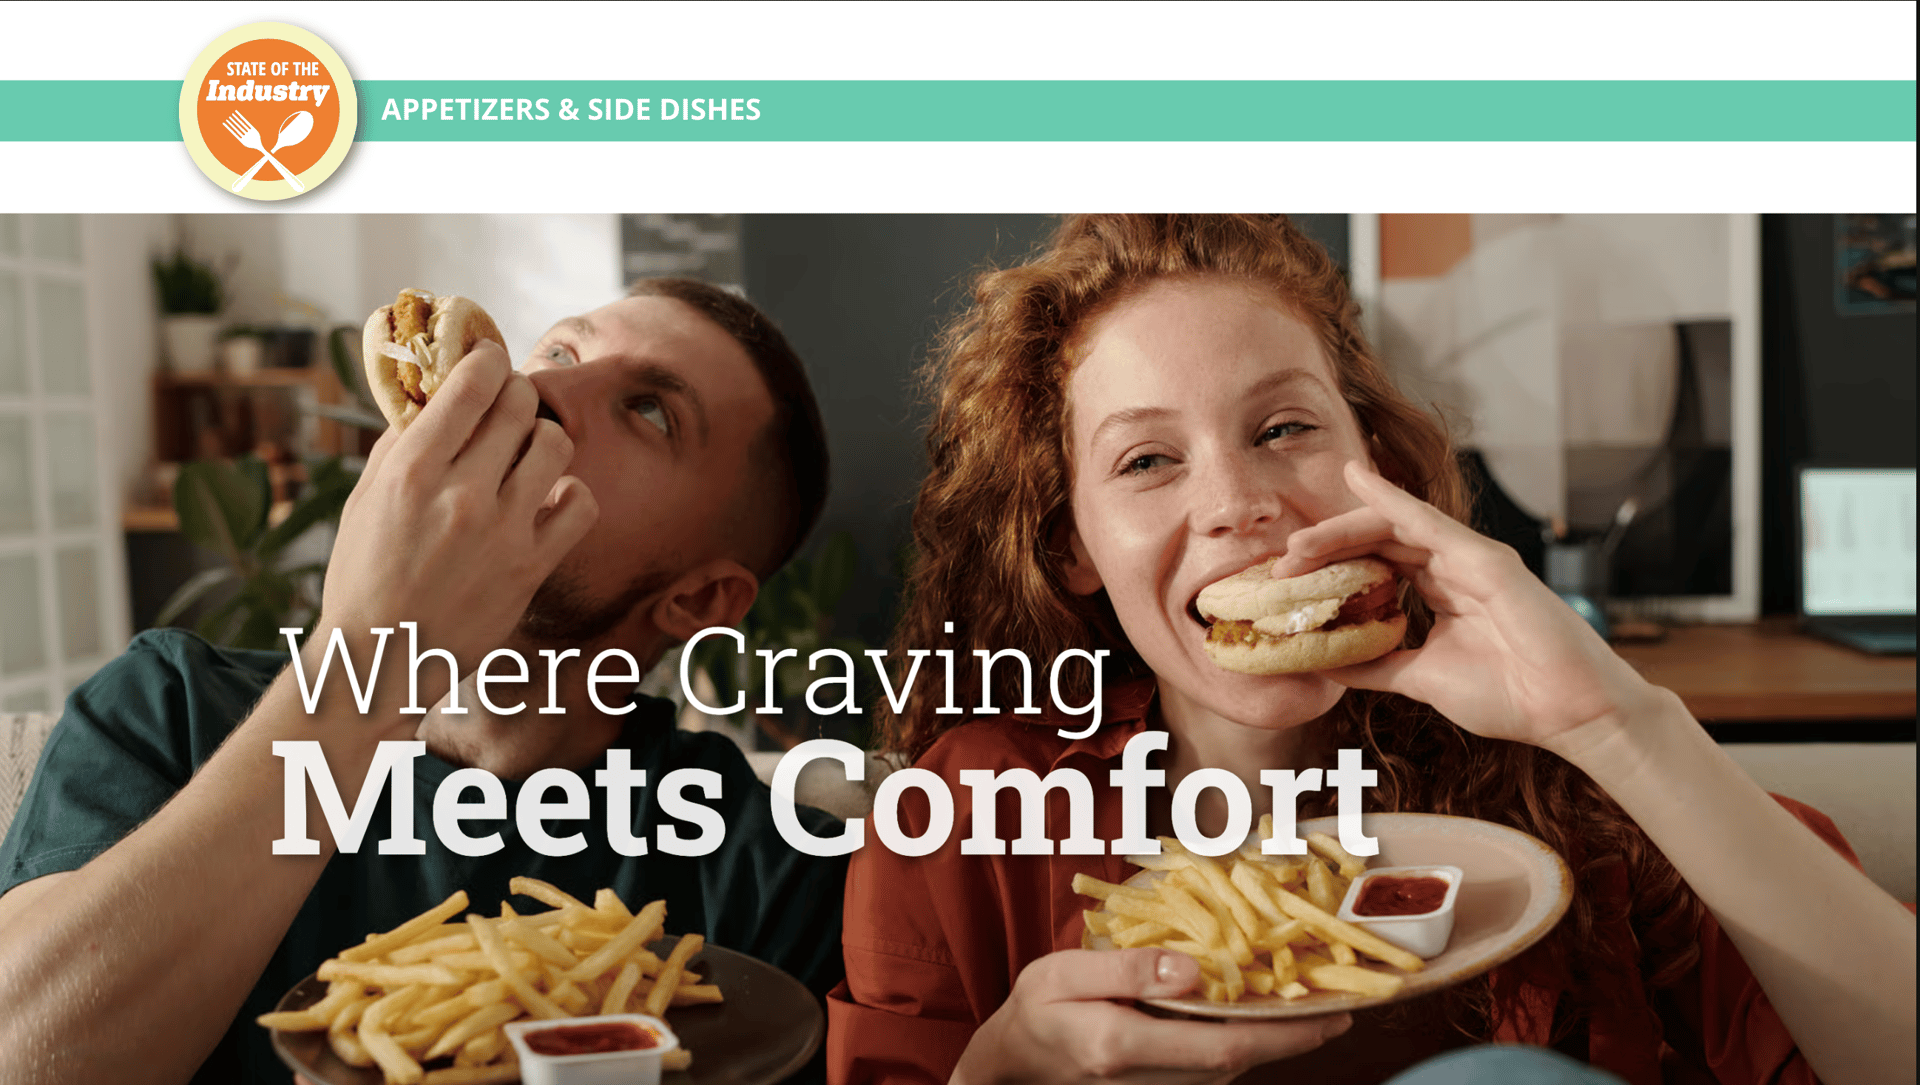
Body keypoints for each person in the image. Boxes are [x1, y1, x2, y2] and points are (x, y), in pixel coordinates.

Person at [827, 215, 1916, 1085]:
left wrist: (1613, 725)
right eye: (1149, 459)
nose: (1239, 503)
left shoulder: (1573, 781)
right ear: (1073, 545)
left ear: (1379, 461)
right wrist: (1001, 1072)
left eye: (1284, 428)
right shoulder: (965, 811)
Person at [0, 278, 846, 1084]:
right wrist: (368, 661)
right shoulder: (169, 709)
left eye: (650, 410)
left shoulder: (768, 870)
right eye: (558, 352)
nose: (542, 393)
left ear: (696, 597)